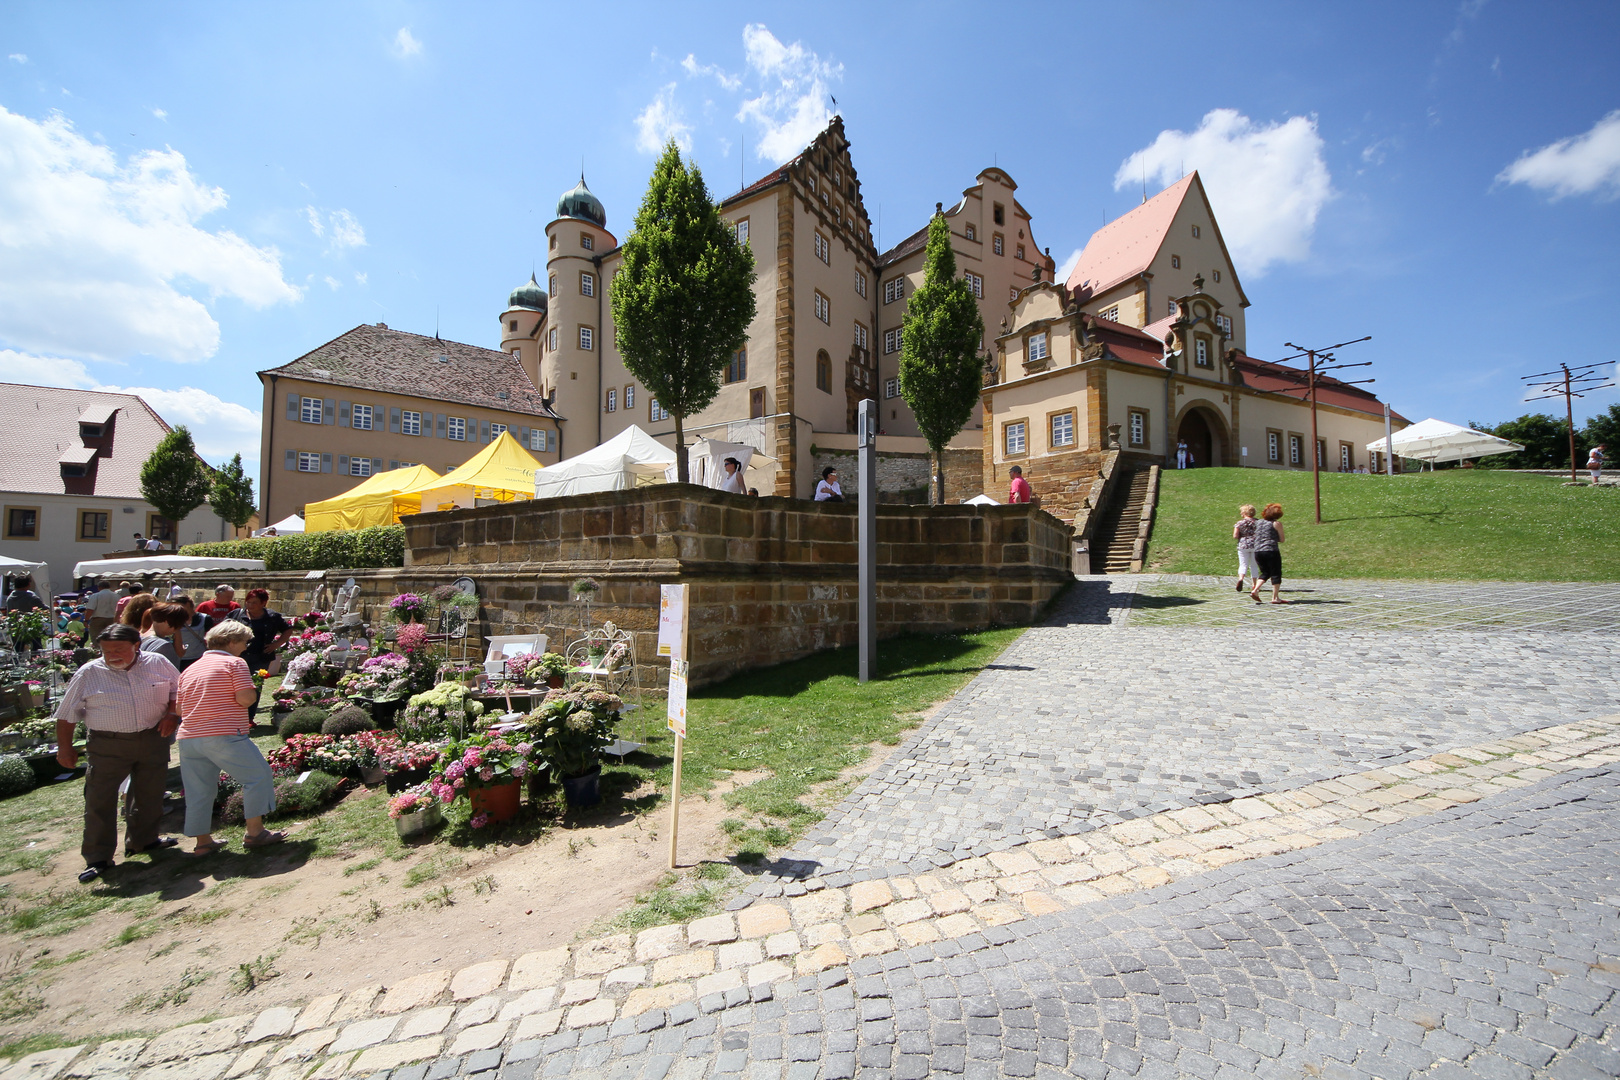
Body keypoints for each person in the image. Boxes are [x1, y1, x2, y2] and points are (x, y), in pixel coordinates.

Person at [54, 624, 180, 883]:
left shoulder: (158, 662)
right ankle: (98, 857)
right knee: (100, 800)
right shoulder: (89, 673)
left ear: (137, 646)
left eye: (119, 649)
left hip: (152, 738)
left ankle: (144, 841)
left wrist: (172, 714)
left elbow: (178, 691)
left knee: (150, 793)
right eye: (106, 650)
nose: (112, 655)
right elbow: (66, 715)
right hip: (107, 745)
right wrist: (65, 748)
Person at [176, 621, 283, 854]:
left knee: (199, 790)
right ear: (232, 642)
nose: (245, 648)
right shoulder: (234, 663)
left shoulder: (190, 669)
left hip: (189, 737)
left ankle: (202, 842)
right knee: (257, 776)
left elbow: (179, 710)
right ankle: (255, 832)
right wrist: (251, 690)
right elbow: (245, 699)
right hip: (223, 733)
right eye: (244, 643)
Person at [1248, 503, 1287, 605]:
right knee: (1276, 573)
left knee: (1265, 572)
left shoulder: (1258, 522)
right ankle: (1275, 597)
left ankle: (1255, 590)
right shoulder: (1276, 524)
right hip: (1271, 550)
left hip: (1258, 551)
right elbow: (1282, 539)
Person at [140, 603, 190, 667]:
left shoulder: (139, 638)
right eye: (179, 625)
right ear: (167, 623)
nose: (178, 629)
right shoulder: (164, 646)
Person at [174, 595, 209, 669]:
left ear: (187, 604)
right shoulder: (174, 620)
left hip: (199, 658)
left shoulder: (205, 619)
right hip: (179, 659)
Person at [1233, 504, 1259, 593]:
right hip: (1255, 545)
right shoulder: (1258, 522)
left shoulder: (1240, 523)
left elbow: (1235, 536)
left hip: (1243, 545)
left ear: (1244, 513)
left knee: (1243, 564)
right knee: (1254, 565)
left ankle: (1241, 578)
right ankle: (1254, 584)